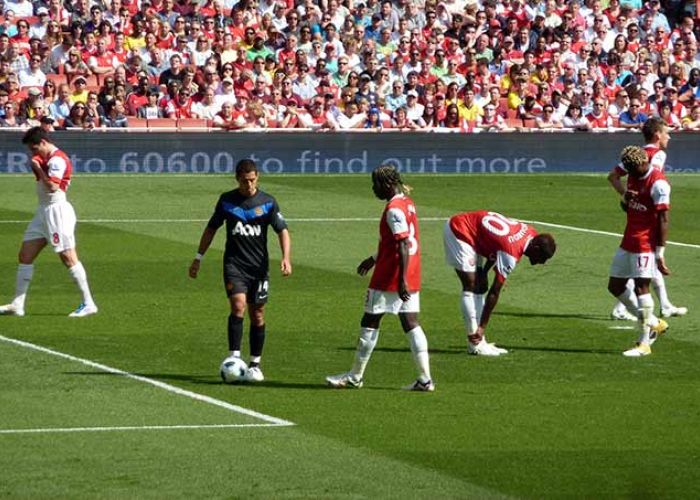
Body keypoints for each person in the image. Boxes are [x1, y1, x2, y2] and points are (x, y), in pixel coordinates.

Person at [326, 165, 434, 391]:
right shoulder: (408, 203)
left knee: (370, 321)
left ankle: (355, 377)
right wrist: (374, 258)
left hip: (391, 275)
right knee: (410, 322)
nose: (373, 189)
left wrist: (400, 278)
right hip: (411, 270)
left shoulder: (394, 209)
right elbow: (397, 241)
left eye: (375, 185)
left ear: (386, 184)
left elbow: (403, 243)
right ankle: (425, 380)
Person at [189, 159, 291, 383]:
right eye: (245, 181)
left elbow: (282, 230)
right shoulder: (227, 201)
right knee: (238, 306)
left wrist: (285, 258)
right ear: (237, 179)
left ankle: (255, 363)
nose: (249, 185)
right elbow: (211, 228)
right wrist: (198, 258)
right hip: (234, 265)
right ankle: (234, 357)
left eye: (253, 180)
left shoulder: (267, 202)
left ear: (258, 178)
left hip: (259, 267)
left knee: (258, 313)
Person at [0, 127, 97, 318]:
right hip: (42, 212)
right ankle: (17, 304)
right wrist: (37, 166)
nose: (33, 153)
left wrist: (37, 167)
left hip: (57, 211)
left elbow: (53, 187)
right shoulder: (45, 159)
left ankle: (88, 303)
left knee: (68, 256)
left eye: (34, 149)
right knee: (25, 255)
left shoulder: (57, 160)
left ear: (43, 142)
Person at [443, 211, 556, 356]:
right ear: (536, 248)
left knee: (480, 286)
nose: (542, 262)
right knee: (470, 285)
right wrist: (483, 326)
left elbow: (498, 245)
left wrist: (484, 271)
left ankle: (480, 341)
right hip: (459, 230)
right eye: (543, 257)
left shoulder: (530, 233)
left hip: (476, 232)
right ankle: (474, 343)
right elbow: (494, 291)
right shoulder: (512, 252)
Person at [607, 117, 687, 320]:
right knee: (643, 268)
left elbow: (613, 176)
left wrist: (625, 195)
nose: (669, 136)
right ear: (657, 134)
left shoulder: (636, 154)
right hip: (646, 222)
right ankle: (631, 312)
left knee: (643, 269)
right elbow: (653, 181)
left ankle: (664, 306)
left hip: (636, 217)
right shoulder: (656, 155)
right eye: (666, 132)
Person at [606, 146, 672, 357]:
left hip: (646, 243)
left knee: (641, 288)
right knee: (615, 286)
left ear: (643, 163)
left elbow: (663, 219)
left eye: (632, 170)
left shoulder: (659, 184)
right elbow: (629, 207)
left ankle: (644, 344)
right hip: (629, 239)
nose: (630, 174)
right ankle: (653, 322)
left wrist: (660, 252)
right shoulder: (633, 175)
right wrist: (625, 197)